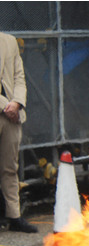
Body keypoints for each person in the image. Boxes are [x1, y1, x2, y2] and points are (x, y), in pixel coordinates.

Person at [0, 32, 37, 233]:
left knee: (9, 168)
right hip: (8, 111)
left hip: (11, 117)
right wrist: (9, 105)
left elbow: (19, 77)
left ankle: (14, 217)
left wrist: (17, 102)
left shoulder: (9, 41)